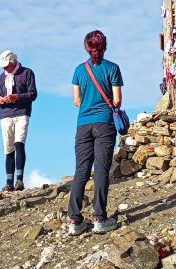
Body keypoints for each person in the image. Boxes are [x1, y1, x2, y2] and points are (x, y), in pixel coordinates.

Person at [67, 29, 123, 236]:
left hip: (83, 124)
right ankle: (100, 218)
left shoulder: (79, 70)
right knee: (101, 170)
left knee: (81, 170)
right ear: (104, 46)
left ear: (86, 47)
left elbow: (77, 101)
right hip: (104, 123)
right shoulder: (113, 68)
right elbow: (116, 101)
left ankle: (75, 219)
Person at [0, 49, 38, 192]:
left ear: (13, 61)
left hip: (22, 113)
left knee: (19, 143)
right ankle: (9, 182)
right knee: (8, 148)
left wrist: (17, 97)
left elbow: (33, 94)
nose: (5, 68)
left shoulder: (27, 73)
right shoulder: (1, 78)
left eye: (7, 64)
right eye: (4, 65)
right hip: (5, 115)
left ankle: (19, 180)